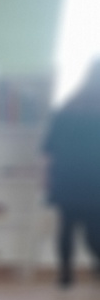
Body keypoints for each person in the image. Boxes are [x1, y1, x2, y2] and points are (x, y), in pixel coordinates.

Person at [42, 60, 100, 286]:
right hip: (95, 181)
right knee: (94, 231)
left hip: (66, 178)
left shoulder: (67, 108)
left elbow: (49, 149)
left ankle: (65, 277)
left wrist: (47, 179)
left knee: (66, 227)